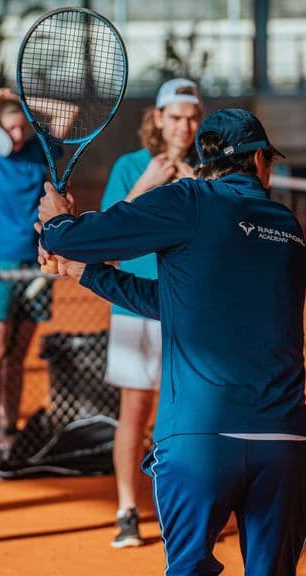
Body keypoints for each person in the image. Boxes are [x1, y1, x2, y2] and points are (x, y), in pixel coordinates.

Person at [38, 108, 306, 576]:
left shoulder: (189, 199)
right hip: (285, 443)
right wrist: (80, 270)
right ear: (256, 161)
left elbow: (90, 237)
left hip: (199, 442)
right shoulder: (287, 226)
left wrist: (57, 225)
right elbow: (183, 303)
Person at [99, 78, 202, 548]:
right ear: (158, 118)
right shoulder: (130, 167)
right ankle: (126, 508)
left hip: (188, 309)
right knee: (135, 412)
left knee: (186, 416)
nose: (186, 126)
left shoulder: (206, 170)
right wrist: (149, 183)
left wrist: (197, 187)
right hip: (135, 308)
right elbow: (107, 238)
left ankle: (182, 510)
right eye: (177, 116)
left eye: (193, 117)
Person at [0, 86, 76, 462]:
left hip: (34, 264)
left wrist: (21, 101)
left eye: (23, 127)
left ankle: (6, 432)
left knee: (16, 357)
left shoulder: (39, 154)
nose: (17, 135)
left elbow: (66, 112)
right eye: (9, 128)